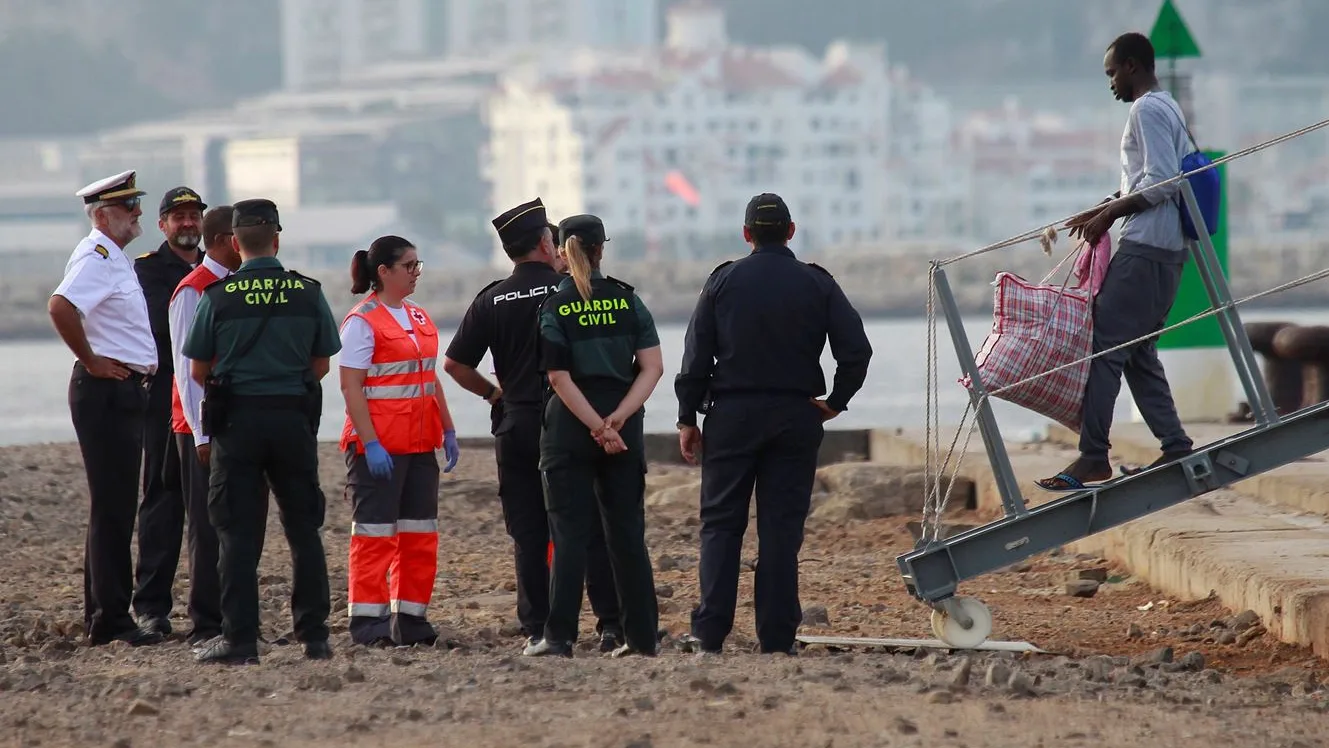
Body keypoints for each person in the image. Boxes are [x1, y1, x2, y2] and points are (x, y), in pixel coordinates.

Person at [674, 193, 872, 656]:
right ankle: (778, 638)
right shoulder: (817, 283)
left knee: (721, 525)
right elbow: (856, 351)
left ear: (746, 235)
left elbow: (696, 354)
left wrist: (687, 416)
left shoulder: (722, 281)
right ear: (791, 231)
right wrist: (836, 402)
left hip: (731, 416)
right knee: (781, 530)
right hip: (794, 416)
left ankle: (709, 633)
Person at [442, 198, 623, 652]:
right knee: (589, 527)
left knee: (527, 532)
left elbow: (455, 365)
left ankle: (539, 628)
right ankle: (610, 623)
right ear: (548, 242)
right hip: (569, 419)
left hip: (516, 421)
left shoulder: (491, 299)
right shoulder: (572, 290)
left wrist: (492, 393)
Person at [1037, 32, 1195, 491]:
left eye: (1112, 73)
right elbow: (1150, 178)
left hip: (1146, 248)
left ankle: (1092, 457)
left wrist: (1110, 214)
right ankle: (1175, 444)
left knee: (1104, 345)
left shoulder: (1145, 108)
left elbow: (1163, 182)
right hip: (1165, 251)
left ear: (1131, 65)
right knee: (1138, 352)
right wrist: (1104, 205)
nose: (1110, 84)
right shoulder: (1170, 107)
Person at [183, 198, 339, 664]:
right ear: (276, 239)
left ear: (234, 242)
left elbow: (197, 371)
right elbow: (322, 362)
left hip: (237, 424)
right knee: (304, 529)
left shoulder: (218, 297)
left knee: (237, 535)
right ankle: (314, 636)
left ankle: (241, 639)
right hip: (293, 419)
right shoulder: (307, 293)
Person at [523, 213, 663, 658]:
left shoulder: (554, 305)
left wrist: (594, 426)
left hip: (569, 429)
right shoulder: (627, 301)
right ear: (603, 248)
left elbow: (559, 379)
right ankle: (641, 639)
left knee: (569, 535)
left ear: (561, 252)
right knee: (627, 535)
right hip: (623, 429)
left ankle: (560, 637)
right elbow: (652, 367)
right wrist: (617, 419)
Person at [48, 170, 165, 647]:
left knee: (112, 508)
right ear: (102, 215)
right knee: (114, 509)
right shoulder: (97, 255)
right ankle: (112, 619)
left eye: (137, 202)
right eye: (128, 204)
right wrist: (91, 359)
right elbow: (60, 306)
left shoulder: (113, 257)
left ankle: (102, 612)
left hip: (123, 389)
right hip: (108, 390)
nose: (138, 211)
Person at [338, 235, 461, 647]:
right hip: (381, 448)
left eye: (417, 265)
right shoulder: (362, 321)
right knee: (374, 536)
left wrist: (447, 427)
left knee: (419, 535)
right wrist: (369, 443)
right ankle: (369, 625)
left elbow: (428, 377)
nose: (415, 273)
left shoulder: (419, 317)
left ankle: (410, 619)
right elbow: (351, 387)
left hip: (420, 445)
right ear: (383, 272)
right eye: (408, 266)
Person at [166, 204, 269, 648]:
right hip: (202, 427)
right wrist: (203, 433)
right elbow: (187, 369)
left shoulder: (238, 288)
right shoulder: (194, 290)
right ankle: (207, 621)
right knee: (209, 527)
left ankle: (238, 619)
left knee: (245, 522)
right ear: (229, 239)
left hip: (242, 423)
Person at [130, 186, 206, 638]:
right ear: (163, 225)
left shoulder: (217, 270)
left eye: (194, 215)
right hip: (162, 400)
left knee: (209, 507)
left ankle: (209, 610)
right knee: (161, 501)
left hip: (211, 402)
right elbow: (163, 326)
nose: (187, 224)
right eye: (178, 217)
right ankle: (152, 606)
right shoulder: (148, 272)